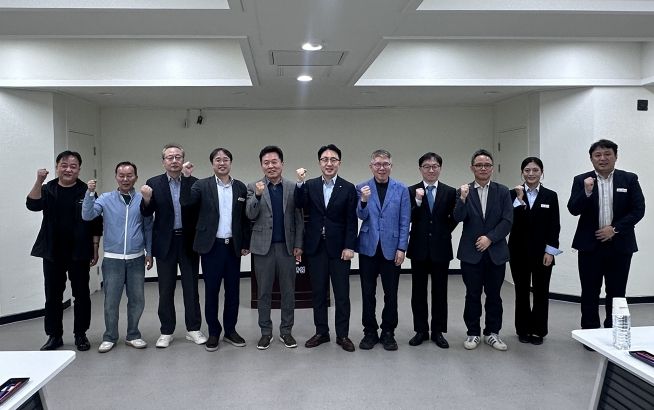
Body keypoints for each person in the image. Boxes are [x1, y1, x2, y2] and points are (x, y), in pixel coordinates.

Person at [26, 151, 102, 352]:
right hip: (53, 251)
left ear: (79, 169)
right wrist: (39, 180)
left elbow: (96, 222)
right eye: (64, 165)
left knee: (82, 295)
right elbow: (32, 205)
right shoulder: (48, 188)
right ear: (57, 167)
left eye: (73, 166)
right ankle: (54, 335)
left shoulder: (86, 190)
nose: (68, 169)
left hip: (79, 251)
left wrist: (95, 248)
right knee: (52, 296)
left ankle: (80, 334)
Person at [567, 139, 645, 335]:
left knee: (617, 292)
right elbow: (573, 209)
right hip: (589, 246)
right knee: (589, 291)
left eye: (607, 154)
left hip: (620, 246)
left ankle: (614, 331)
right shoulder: (581, 180)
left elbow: (638, 210)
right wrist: (586, 192)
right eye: (598, 155)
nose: (603, 158)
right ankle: (590, 332)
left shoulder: (629, 179)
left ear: (616, 156)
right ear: (591, 158)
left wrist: (615, 229)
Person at [183, 148, 251, 352]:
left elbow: (244, 219)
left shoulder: (240, 187)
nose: (222, 163)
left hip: (233, 247)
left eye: (226, 159)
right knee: (211, 291)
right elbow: (186, 203)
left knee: (233, 292)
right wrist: (186, 178)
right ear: (212, 163)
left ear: (231, 162)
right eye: (218, 160)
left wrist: (245, 243)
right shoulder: (201, 185)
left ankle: (230, 330)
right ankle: (214, 331)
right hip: (211, 247)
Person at [140, 143, 207, 348]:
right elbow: (146, 213)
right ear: (163, 162)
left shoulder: (194, 183)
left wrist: (186, 179)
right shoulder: (153, 183)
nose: (174, 160)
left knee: (191, 288)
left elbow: (196, 209)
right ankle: (166, 331)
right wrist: (146, 200)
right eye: (170, 157)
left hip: (188, 242)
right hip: (165, 243)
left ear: (183, 160)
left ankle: (193, 329)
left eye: (178, 157)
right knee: (165, 289)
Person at [83, 161, 153, 353]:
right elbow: (88, 216)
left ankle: (133, 335)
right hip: (113, 259)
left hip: (136, 258)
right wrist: (90, 194)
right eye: (121, 175)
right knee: (111, 301)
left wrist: (149, 252)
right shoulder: (105, 198)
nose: (125, 179)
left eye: (129, 175)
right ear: (116, 177)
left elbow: (148, 227)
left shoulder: (142, 199)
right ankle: (110, 336)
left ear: (136, 177)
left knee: (137, 300)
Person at [295, 144, 358, 352]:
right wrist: (300, 183)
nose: (329, 163)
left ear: (339, 162)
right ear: (319, 163)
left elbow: (351, 221)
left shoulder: (348, 188)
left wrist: (349, 246)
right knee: (318, 293)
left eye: (333, 159)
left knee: (342, 295)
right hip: (316, 248)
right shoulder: (310, 185)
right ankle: (321, 332)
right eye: (324, 159)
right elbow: (299, 204)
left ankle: (343, 335)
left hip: (340, 250)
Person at [454, 149, 512, 351]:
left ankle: (492, 333)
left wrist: (490, 238)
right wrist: (462, 199)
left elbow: (507, 221)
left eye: (487, 165)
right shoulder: (464, 191)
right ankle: (473, 333)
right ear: (472, 168)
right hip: (471, 254)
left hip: (496, 253)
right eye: (479, 165)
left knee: (494, 295)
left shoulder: (503, 191)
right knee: (472, 295)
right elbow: (458, 217)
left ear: (492, 168)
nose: (483, 168)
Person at [246, 146, 303, 350]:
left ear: (282, 164)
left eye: (274, 162)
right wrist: (258, 196)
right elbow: (250, 214)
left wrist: (298, 244)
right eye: (266, 163)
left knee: (288, 291)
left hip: (287, 248)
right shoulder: (253, 187)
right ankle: (265, 332)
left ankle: (286, 331)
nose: (270, 166)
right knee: (264, 292)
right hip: (263, 249)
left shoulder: (292, 187)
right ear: (261, 165)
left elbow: (298, 218)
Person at [356, 149, 410, 351]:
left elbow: (405, 221)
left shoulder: (401, 189)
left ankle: (388, 332)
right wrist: (363, 200)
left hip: (392, 248)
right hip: (368, 247)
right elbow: (360, 216)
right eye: (377, 164)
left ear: (391, 166)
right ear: (371, 166)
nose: (381, 168)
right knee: (367, 293)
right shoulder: (361, 187)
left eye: (385, 164)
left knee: (391, 294)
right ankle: (369, 332)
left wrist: (402, 247)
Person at [406, 152, 457, 349]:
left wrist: (442, 232)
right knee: (418, 291)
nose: (431, 170)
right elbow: (408, 218)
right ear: (420, 169)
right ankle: (420, 330)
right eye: (426, 166)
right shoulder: (411, 191)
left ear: (440, 169)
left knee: (440, 291)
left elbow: (454, 218)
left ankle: (438, 331)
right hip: (418, 248)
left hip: (441, 248)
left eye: (435, 166)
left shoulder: (450, 192)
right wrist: (418, 202)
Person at [508, 157, 561, 345]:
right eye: (527, 170)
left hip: (543, 253)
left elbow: (554, 226)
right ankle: (522, 329)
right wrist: (519, 200)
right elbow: (509, 221)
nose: (531, 174)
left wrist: (551, 251)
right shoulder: (512, 194)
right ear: (522, 173)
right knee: (521, 292)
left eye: (535, 170)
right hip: (518, 252)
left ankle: (538, 331)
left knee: (541, 292)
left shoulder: (550, 195)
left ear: (542, 172)